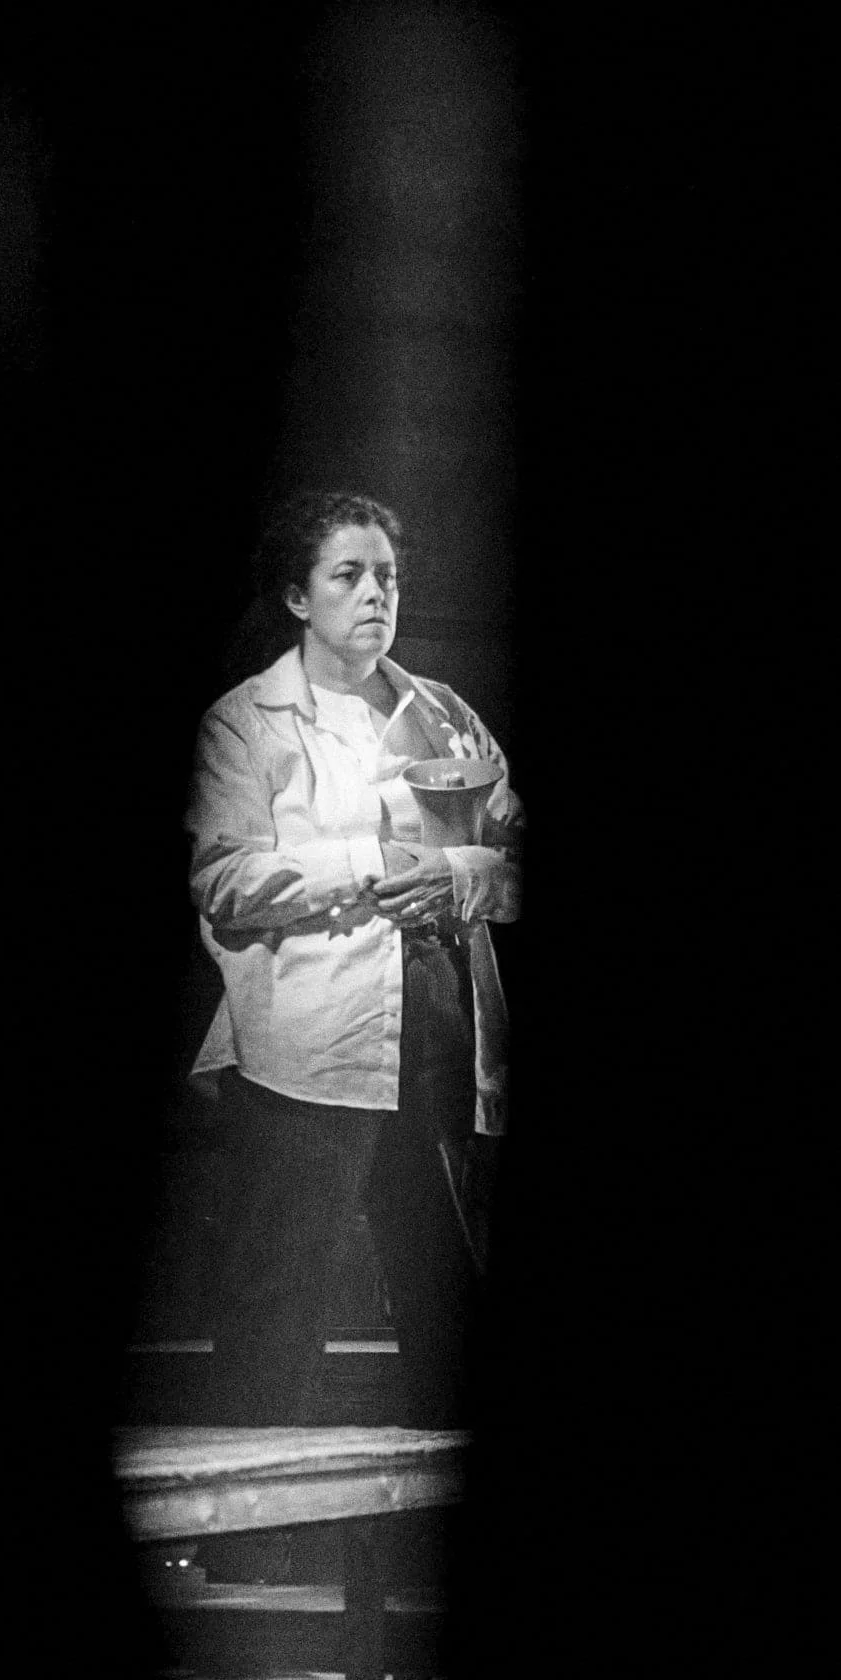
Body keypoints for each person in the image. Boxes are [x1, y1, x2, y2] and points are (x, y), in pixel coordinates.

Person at [187, 490, 519, 1425]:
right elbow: (225, 879)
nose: (377, 593)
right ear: (298, 597)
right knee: (277, 1299)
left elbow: (512, 855)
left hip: (438, 1031)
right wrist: (374, 864)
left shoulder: (444, 715)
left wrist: (460, 871)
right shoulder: (248, 722)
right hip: (308, 1046)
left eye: (389, 576)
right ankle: (252, 1502)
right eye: (350, 575)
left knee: (447, 1289)